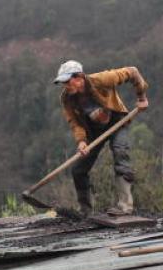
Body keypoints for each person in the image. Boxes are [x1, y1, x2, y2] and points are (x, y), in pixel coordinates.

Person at [53, 60, 149, 216]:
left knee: (120, 153)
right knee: (78, 170)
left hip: (117, 122)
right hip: (94, 131)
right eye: (62, 82)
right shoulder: (67, 99)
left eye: (67, 81)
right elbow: (74, 123)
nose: (65, 86)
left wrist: (141, 96)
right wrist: (82, 141)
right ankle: (85, 210)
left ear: (79, 77)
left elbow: (132, 71)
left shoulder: (102, 79)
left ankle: (125, 206)